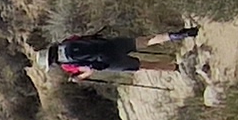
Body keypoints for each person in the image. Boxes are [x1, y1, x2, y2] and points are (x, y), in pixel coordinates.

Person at [41, 28, 196, 79]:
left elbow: (89, 69)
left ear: (51, 62)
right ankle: (176, 36)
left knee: (144, 65)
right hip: (109, 44)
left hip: (110, 62)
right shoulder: (66, 42)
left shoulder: (66, 66)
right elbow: (84, 38)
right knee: (145, 41)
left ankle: (176, 68)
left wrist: (79, 78)